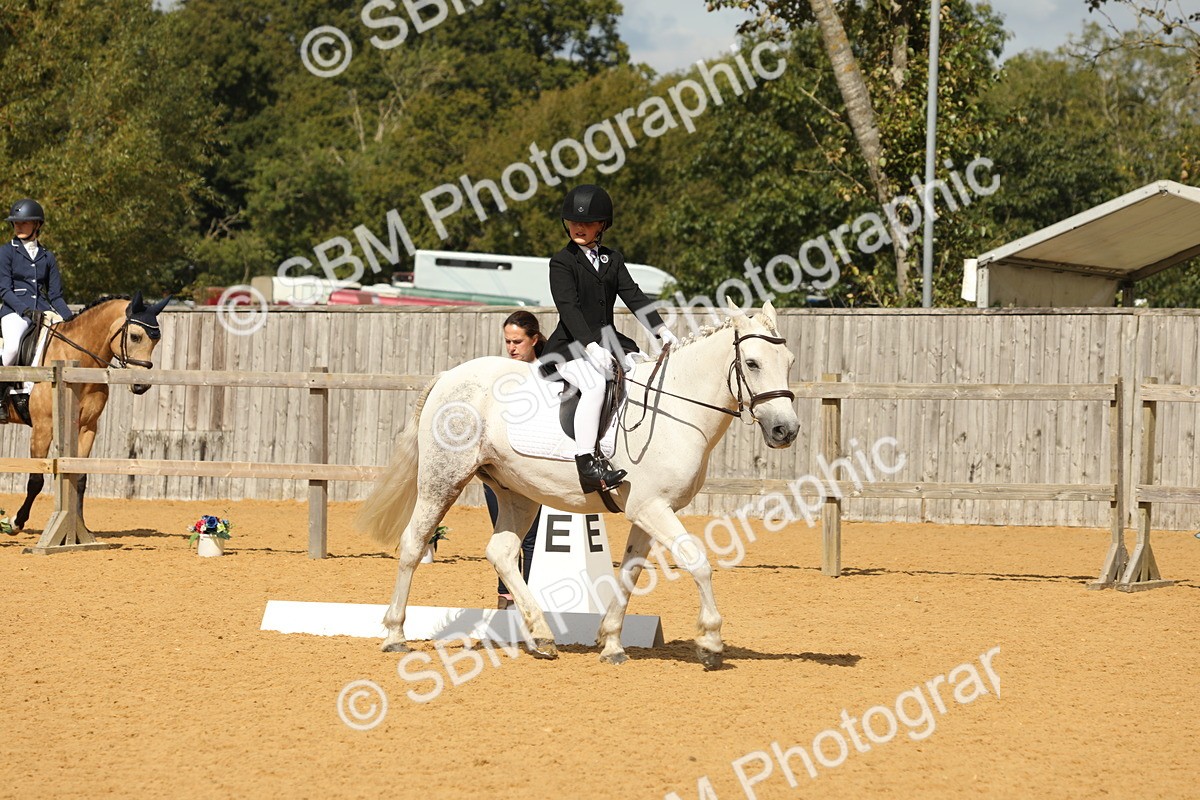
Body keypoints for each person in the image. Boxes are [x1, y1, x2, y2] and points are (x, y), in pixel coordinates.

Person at [540, 184, 678, 493]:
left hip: (608, 340)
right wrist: (590, 345)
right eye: (575, 222)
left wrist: (660, 329)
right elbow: (569, 308)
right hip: (570, 347)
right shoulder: (562, 262)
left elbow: (633, 295)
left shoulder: (612, 261)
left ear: (602, 225)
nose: (579, 227)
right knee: (594, 383)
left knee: (640, 371)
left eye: (587, 223)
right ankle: (587, 461)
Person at [487, 310, 545, 608]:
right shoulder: (500, 375)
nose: (511, 348)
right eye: (507, 341)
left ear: (534, 340)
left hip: (531, 466)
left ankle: (528, 596)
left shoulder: (548, 373)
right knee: (503, 531)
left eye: (518, 341)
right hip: (498, 465)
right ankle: (504, 594)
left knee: (531, 537)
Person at [0, 198, 73, 423]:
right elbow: (4, 289)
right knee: (12, 348)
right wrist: (24, 310)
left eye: (24, 222)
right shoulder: (6, 252)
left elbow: (56, 296)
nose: (18, 226)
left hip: (43, 310)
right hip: (14, 311)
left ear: (37, 225)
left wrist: (71, 319)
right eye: (16, 223)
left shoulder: (47, 256)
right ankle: (0, 398)